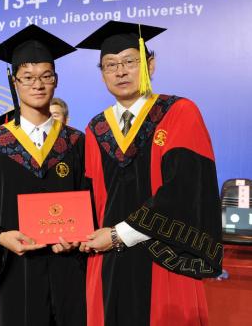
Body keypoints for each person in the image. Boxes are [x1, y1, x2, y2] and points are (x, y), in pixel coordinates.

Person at [75, 21, 223, 326]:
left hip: (164, 256)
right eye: (111, 65)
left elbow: (184, 191)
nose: (121, 71)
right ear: (102, 74)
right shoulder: (96, 129)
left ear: (150, 65)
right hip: (108, 260)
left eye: (130, 61)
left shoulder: (179, 112)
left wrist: (119, 235)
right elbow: (89, 198)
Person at [0, 25, 87, 326]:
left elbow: (93, 204)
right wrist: (1, 237)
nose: (38, 85)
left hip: (68, 271)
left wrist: (79, 238)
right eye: (27, 77)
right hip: (15, 272)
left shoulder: (76, 143)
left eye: (46, 76)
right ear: (14, 82)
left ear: (56, 80)